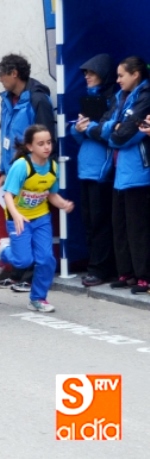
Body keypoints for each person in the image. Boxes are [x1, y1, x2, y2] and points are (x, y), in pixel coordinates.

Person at [0, 125, 73, 312]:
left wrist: (63, 204)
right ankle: (4, 253)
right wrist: (16, 215)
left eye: (49, 142)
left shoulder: (53, 167)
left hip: (41, 218)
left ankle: (38, 298)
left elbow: (51, 194)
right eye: (41, 143)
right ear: (30, 147)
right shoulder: (21, 166)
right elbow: (7, 195)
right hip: (18, 218)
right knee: (23, 261)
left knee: (46, 259)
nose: (47, 147)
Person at [102, 56, 150, 293]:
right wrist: (115, 128)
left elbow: (125, 134)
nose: (118, 80)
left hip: (139, 173)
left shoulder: (146, 96)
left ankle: (144, 276)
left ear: (136, 74)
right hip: (120, 173)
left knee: (137, 228)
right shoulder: (119, 97)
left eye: (122, 75)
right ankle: (126, 273)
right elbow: (104, 127)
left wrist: (118, 131)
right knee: (119, 226)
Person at [70, 54, 117, 288]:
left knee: (100, 223)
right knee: (89, 222)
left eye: (91, 72)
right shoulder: (90, 99)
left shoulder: (114, 100)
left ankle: (101, 269)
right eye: (85, 73)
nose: (87, 76)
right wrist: (78, 130)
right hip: (86, 170)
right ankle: (94, 266)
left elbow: (111, 134)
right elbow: (84, 137)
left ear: (103, 74)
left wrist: (88, 129)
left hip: (102, 172)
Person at [0, 54, 56, 185]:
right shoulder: (6, 101)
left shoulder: (38, 100)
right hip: (12, 175)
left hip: (33, 176)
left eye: (1, 74)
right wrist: (4, 171)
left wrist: (41, 176)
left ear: (14, 73)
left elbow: (47, 141)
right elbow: (5, 138)